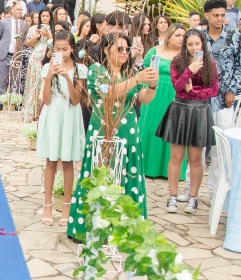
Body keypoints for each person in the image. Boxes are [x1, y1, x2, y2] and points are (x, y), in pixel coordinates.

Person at [68, 33, 158, 238]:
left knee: (128, 177)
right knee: (98, 177)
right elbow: (108, 93)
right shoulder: (96, 70)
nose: (124, 53)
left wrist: (152, 84)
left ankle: (124, 230)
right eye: (119, 49)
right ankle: (91, 228)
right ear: (107, 50)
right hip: (102, 134)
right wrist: (137, 79)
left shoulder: (130, 72)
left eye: (127, 49)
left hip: (128, 134)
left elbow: (144, 98)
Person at [157, 28, 219, 214]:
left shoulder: (210, 64)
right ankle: (173, 197)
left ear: (203, 44)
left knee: (196, 159)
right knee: (176, 157)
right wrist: (189, 72)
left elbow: (213, 90)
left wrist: (192, 92)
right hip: (180, 109)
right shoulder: (178, 62)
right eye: (189, 44)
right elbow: (177, 86)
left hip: (199, 111)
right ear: (185, 45)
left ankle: (193, 198)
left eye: (197, 44)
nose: (193, 47)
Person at [36, 30, 87, 226]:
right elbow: (46, 100)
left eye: (65, 49)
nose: (61, 53)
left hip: (70, 114)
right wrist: (49, 77)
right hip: (53, 113)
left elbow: (76, 100)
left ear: (71, 48)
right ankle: (47, 205)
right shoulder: (47, 68)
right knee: (51, 160)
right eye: (57, 49)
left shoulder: (80, 69)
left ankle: (67, 206)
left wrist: (67, 78)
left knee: (67, 161)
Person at [141, 24, 187, 180]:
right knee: (150, 125)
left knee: (173, 129)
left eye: (183, 36)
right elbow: (145, 69)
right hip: (154, 92)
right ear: (169, 36)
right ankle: (147, 165)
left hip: (175, 94)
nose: (181, 39)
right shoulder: (155, 51)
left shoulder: (186, 56)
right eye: (178, 35)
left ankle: (171, 170)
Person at [202, 0, 241, 112]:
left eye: (222, 15)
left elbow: (240, 67)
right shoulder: (198, 38)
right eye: (216, 15)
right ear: (206, 15)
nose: (220, 19)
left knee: (224, 130)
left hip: (225, 100)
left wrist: (231, 90)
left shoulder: (234, 37)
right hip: (202, 99)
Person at [0, 2, 28, 109]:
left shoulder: (24, 24)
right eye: (17, 9)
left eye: (21, 10)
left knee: (15, 80)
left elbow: (24, 39)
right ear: (12, 11)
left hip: (17, 55)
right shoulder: (4, 22)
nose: (19, 11)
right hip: (5, 54)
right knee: (2, 79)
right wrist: (4, 47)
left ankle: (14, 101)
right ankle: (1, 101)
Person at [23, 9, 54, 122]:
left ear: (50, 17)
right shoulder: (33, 28)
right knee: (34, 84)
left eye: (47, 16)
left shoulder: (53, 28)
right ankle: (32, 111)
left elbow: (55, 42)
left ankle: (43, 111)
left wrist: (48, 35)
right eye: (43, 16)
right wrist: (35, 37)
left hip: (48, 58)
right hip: (35, 58)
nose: (45, 18)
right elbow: (28, 44)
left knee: (43, 84)